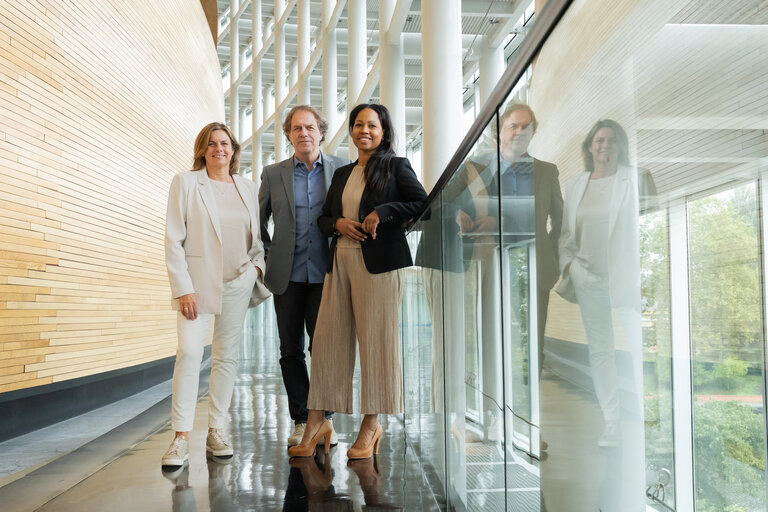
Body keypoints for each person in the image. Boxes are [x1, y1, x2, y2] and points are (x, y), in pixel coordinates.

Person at [288, 104, 427, 459]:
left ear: (384, 131)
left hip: (379, 265)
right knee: (328, 342)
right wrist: (337, 224)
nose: (364, 130)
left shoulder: (397, 167)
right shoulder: (343, 173)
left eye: (372, 125)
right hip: (340, 262)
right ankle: (318, 418)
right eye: (358, 124)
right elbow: (324, 218)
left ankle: (372, 424)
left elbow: (420, 203)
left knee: (377, 344)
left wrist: (384, 211)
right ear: (351, 130)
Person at [556, 119, 655, 509]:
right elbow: (565, 235)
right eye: (599, 140)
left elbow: (649, 213)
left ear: (620, 146)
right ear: (589, 146)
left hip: (624, 276)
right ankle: (613, 421)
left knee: (634, 343)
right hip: (588, 276)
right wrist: (571, 268)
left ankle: (642, 414)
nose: (604, 146)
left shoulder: (632, 178)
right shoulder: (576, 185)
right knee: (601, 348)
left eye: (611, 140)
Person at [162, 122, 270, 466]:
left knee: (226, 358)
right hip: (196, 285)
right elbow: (173, 240)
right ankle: (180, 437)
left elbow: (258, 240)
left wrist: (256, 270)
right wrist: (183, 289)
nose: (218, 148)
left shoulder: (247, 187)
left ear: (234, 150)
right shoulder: (186, 182)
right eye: (211, 143)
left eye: (224, 143)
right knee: (190, 354)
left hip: (238, 282)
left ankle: (217, 430)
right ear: (202, 150)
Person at [454, 103, 563, 442]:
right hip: (488, 264)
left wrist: (551, 255)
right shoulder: (477, 168)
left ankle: (530, 421)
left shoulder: (547, 171)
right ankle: (492, 416)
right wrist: (460, 216)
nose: (519, 132)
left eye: (526, 127)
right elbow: (450, 203)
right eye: (513, 126)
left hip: (532, 264)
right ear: (498, 132)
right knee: (490, 338)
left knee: (535, 344)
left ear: (534, 131)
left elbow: (557, 219)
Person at [258, 106, 350, 448]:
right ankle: (301, 419)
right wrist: (269, 255)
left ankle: (323, 420)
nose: (303, 133)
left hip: (329, 272)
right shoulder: (273, 174)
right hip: (287, 275)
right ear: (288, 135)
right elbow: (258, 222)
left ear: (321, 132)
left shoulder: (342, 168)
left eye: (309, 127)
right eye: (296, 128)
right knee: (290, 349)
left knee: (324, 349)